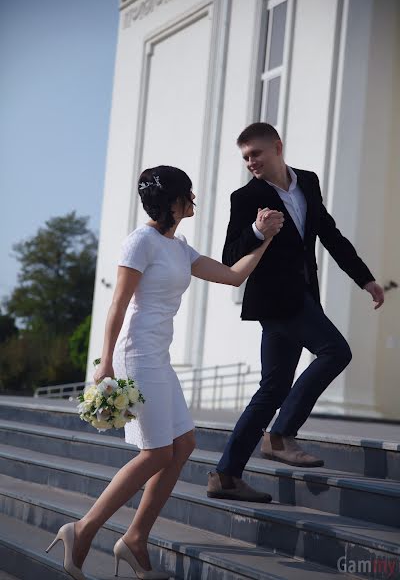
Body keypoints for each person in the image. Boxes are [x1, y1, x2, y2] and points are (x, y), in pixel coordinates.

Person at [45, 165, 284, 580]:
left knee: (184, 443)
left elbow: (231, 276)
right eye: (188, 195)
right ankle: (82, 530)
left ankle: (136, 538)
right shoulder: (140, 243)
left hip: (160, 355)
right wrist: (104, 362)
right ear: (173, 202)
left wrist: (264, 238)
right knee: (156, 451)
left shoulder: (179, 247)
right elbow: (117, 305)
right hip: (136, 354)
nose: (193, 200)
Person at [207, 122, 384, 502]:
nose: (251, 162)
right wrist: (256, 230)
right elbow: (229, 256)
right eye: (245, 157)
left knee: (272, 389)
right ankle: (281, 434)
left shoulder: (308, 182)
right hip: (274, 299)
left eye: (256, 153)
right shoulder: (246, 197)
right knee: (336, 350)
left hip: (302, 295)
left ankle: (226, 475)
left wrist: (364, 278)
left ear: (277, 147)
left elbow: (329, 235)